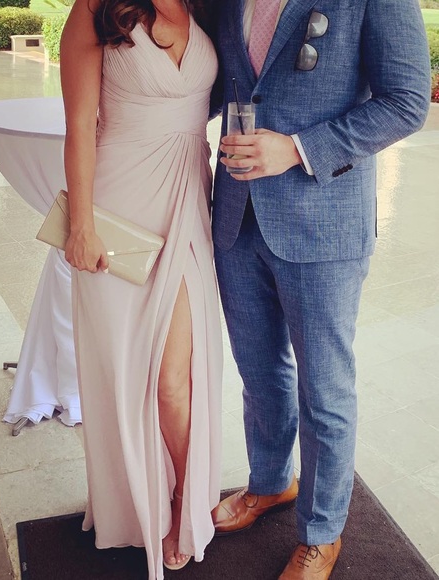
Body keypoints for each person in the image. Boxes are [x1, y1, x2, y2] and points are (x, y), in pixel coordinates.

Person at [210, 0, 431, 578]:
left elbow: (408, 101)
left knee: (324, 392)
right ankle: (269, 483)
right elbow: (216, 82)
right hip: (236, 215)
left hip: (323, 220)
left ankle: (321, 532)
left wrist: (297, 148)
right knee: (259, 374)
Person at [59, 0, 223, 577]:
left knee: (174, 379)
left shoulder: (206, 7)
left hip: (189, 199)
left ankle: (182, 495)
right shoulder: (95, 9)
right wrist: (82, 226)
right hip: (120, 205)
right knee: (128, 369)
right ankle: (140, 502)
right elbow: (79, 124)